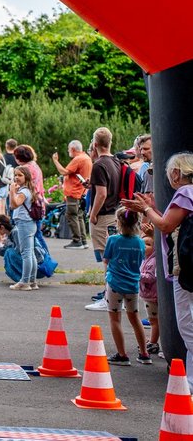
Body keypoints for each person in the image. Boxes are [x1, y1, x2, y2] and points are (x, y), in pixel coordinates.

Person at [122, 152, 193, 388]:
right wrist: (151, 208)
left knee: (186, 324)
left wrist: (145, 209)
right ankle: (190, 380)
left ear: (176, 173)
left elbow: (165, 225)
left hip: (186, 267)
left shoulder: (185, 192)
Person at [102, 207, 150, 365]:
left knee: (115, 319)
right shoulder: (140, 242)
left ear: (119, 223)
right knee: (135, 318)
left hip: (115, 283)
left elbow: (106, 260)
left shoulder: (113, 240)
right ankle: (144, 353)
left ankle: (122, 354)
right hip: (132, 285)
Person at [85, 128, 123, 311]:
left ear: (95, 144)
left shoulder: (99, 165)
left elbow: (101, 193)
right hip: (114, 213)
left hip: (103, 216)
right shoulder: (115, 162)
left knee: (106, 258)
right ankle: (114, 295)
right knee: (114, 258)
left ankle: (109, 298)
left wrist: (92, 214)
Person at [51, 140, 92, 250]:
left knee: (71, 215)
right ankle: (83, 240)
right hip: (81, 191)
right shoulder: (87, 158)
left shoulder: (78, 159)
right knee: (79, 216)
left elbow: (64, 172)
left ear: (73, 149)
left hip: (74, 191)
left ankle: (76, 240)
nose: (68, 151)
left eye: (69, 149)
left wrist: (55, 161)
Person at [7, 165, 38, 290]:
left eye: (20, 175)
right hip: (29, 223)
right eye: (15, 175)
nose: (16, 177)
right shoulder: (28, 189)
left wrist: (12, 191)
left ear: (26, 177)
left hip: (24, 223)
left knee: (26, 253)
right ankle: (32, 280)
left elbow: (14, 205)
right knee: (30, 253)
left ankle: (24, 282)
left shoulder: (24, 191)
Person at [139, 232, 160, 358]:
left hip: (152, 295)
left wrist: (138, 275)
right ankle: (152, 340)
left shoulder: (153, 261)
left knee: (154, 320)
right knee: (153, 320)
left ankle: (153, 342)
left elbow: (151, 277)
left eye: (148, 244)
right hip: (148, 294)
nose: (145, 247)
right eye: (143, 244)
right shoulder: (145, 259)